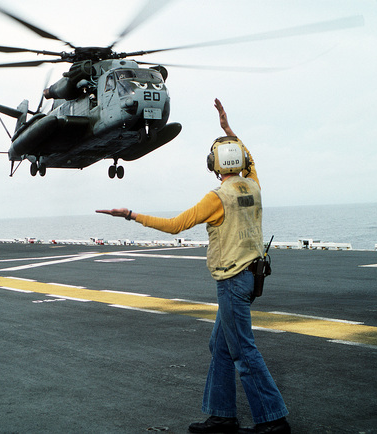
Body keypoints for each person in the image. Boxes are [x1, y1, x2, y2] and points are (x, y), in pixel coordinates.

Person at [96, 98, 290, 434]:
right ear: (241, 161)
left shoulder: (217, 198)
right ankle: (221, 415)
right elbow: (250, 157)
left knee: (244, 351)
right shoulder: (253, 185)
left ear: (214, 164)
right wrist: (228, 129)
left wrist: (130, 215)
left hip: (231, 280)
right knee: (220, 346)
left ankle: (273, 420)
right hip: (251, 277)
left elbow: (175, 225)